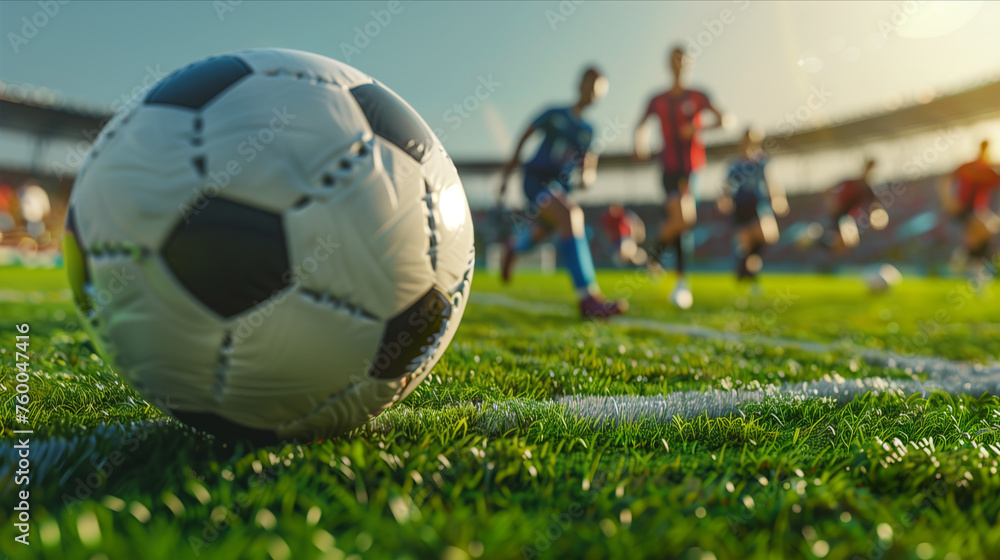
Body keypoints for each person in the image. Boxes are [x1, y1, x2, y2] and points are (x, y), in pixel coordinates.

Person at [497, 67, 628, 319]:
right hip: (536, 181)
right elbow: (523, 139)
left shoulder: (589, 131)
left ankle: (513, 247)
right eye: (590, 84)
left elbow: (589, 167)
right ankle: (588, 298)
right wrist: (506, 176)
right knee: (570, 216)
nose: (592, 91)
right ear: (580, 84)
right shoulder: (554, 113)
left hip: (559, 189)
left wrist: (587, 178)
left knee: (539, 233)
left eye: (598, 88)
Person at [634, 45, 724, 309]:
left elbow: (725, 119)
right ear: (668, 64)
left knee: (682, 221)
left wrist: (697, 125)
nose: (679, 64)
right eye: (674, 59)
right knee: (683, 219)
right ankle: (681, 283)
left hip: (692, 169)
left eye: (683, 59)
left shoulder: (699, 95)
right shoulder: (657, 99)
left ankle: (655, 254)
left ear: (689, 63)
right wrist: (639, 144)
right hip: (669, 169)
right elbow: (641, 126)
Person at [717, 128, 788, 284]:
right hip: (741, 205)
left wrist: (778, 198)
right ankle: (745, 273)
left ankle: (748, 266)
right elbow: (726, 185)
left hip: (758, 203)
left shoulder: (762, 161)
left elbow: (772, 182)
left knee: (768, 234)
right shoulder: (735, 164)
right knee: (745, 242)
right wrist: (723, 199)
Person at [938, 140, 1000, 274]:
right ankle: (971, 263)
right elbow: (945, 180)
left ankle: (967, 261)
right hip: (962, 208)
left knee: (983, 231)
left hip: (980, 211)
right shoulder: (967, 167)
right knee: (981, 228)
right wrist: (948, 200)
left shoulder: (991, 170)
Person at [822, 158, 886, 253]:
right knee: (846, 241)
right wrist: (832, 202)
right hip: (838, 215)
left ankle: (830, 247)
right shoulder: (849, 182)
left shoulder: (868, 190)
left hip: (846, 217)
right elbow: (827, 190)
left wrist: (877, 218)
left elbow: (875, 207)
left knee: (851, 242)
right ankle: (827, 245)